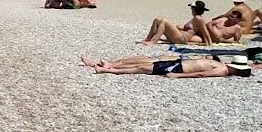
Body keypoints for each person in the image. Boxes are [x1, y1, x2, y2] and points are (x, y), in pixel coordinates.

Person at [80, 54, 252, 78]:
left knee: (142, 69)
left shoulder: (222, 70)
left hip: (178, 69)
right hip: (178, 63)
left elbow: (200, 75)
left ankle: (106, 70)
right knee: (145, 62)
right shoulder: (222, 65)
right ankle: (106, 66)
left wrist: (178, 76)